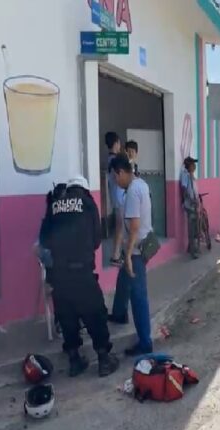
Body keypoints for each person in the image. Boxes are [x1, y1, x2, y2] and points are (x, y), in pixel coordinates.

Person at [38, 176, 119, 377]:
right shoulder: (88, 203)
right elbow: (97, 240)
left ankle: (75, 361)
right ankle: (104, 360)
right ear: (84, 188)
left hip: (59, 274)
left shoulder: (55, 203)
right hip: (82, 271)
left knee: (67, 316)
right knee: (95, 314)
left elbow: (44, 240)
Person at [108, 155, 154, 356]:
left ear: (121, 172)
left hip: (136, 250)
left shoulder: (133, 191)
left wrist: (127, 256)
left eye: (115, 177)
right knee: (124, 281)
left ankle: (145, 342)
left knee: (138, 297)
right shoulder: (140, 184)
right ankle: (119, 313)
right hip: (139, 246)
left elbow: (134, 226)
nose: (115, 182)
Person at [105, 132, 126, 266]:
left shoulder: (109, 159)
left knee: (120, 226)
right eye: (119, 143)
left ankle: (117, 253)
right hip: (119, 197)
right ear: (116, 142)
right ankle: (116, 255)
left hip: (115, 196)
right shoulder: (115, 160)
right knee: (120, 227)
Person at [180, 156, 200, 259]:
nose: (194, 166)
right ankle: (193, 251)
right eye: (192, 164)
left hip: (194, 203)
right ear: (188, 166)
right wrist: (190, 200)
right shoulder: (185, 175)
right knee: (192, 229)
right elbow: (184, 189)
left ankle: (191, 247)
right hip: (190, 205)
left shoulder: (191, 175)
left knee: (195, 227)